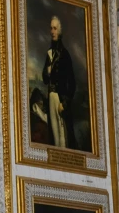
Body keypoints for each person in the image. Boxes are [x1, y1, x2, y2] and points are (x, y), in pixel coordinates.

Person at [41, 16, 77, 149]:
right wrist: (47, 71)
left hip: (60, 99)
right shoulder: (49, 53)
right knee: (54, 133)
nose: (52, 31)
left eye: (55, 28)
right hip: (51, 96)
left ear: (60, 31)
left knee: (63, 134)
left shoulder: (65, 55)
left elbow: (72, 82)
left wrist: (65, 103)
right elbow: (45, 79)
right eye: (51, 28)